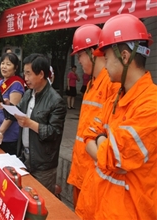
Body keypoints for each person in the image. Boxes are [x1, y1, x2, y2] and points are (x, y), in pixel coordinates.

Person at [82, 14, 157, 219]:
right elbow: (88, 136)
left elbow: (116, 159)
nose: (104, 65)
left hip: (128, 212)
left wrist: (100, 138)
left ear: (125, 57)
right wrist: (102, 139)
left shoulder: (151, 105)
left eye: (106, 58)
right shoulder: (116, 96)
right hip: (101, 207)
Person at [66, 24, 120, 210]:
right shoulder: (92, 84)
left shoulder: (111, 84)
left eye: (80, 55)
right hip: (81, 167)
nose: (79, 61)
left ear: (91, 52)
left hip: (95, 169)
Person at [14, 53, 67, 194]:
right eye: (24, 74)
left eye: (29, 74)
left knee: (42, 202)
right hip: (25, 158)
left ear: (41, 74)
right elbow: (18, 111)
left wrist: (30, 123)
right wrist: (8, 107)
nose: (25, 79)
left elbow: (54, 132)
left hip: (43, 164)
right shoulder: (28, 94)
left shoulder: (56, 101)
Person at [0, 53, 25, 155]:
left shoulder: (16, 85)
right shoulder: (0, 82)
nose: (4, 66)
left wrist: (1, 132)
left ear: (15, 68)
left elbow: (12, 113)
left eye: (8, 64)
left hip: (7, 136)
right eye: (2, 63)